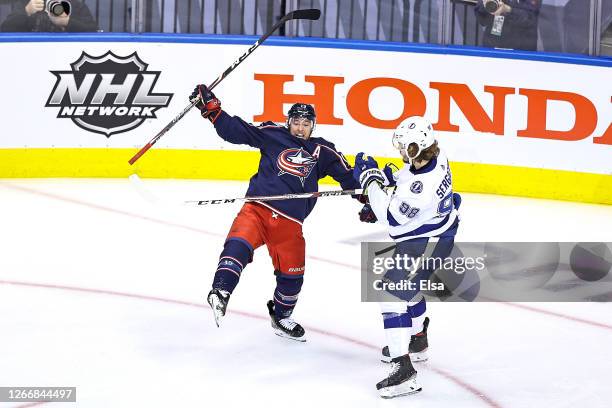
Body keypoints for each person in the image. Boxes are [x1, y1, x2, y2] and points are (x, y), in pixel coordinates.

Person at [189, 84, 369, 342]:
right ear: (288, 122)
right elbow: (237, 131)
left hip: (290, 224)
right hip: (258, 209)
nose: (299, 127)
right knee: (237, 246)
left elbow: (348, 177)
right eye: (295, 122)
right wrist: (213, 111)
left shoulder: (322, 151)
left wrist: (366, 197)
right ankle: (220, 291)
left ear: (313, 126)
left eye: (306, 123)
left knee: (293, 274)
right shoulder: (273, 133)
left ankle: (281, 315)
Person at [353, 116, 461, 398]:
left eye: (404, 147)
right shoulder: (435, 154)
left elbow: (391, 219)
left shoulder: (421, 190)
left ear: (416, 147)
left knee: (391, 293)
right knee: (407, 289)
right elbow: (409, 175)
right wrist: (390, 177)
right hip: (438, 235)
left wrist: (371, 182)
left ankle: (405, 373)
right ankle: (418, 339)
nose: (401, 152)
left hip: (423, 244)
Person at [474, 0, 541, 51]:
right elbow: (482, 20)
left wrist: (508, 10)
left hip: (521, 50)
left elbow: (530, 18)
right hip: (493, 48)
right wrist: (487, 5)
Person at [1, 0, 97, 32]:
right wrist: (26, 11)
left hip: (65, 55)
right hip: (31, 55)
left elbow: (93, 31)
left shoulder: (75, 4)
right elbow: (5, 30)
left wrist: (66, 22)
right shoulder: (28, 2)